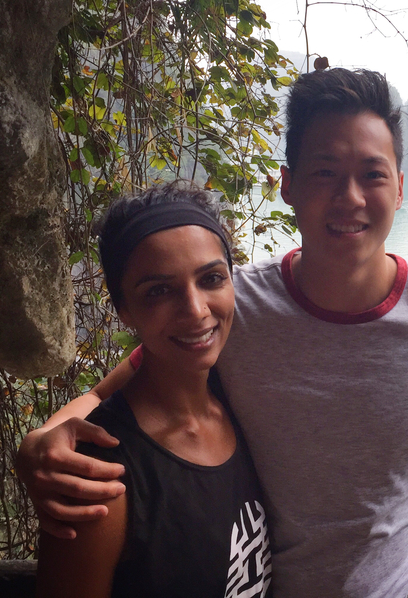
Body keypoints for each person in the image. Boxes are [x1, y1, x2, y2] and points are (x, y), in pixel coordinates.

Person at [18, 68, 408, 598]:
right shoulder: (227, 307)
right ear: (288, 185)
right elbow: (124, 386)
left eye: (373, 174)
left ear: (401, 187)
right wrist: (43, 440)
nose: (350, 197)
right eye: (325, 173)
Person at [35, 182, 271, 598]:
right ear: (124, 309)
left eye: (212, 278)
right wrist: (37, 445)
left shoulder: (240, 393)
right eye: (159, 291)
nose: (196, 310)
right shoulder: (101, 475)